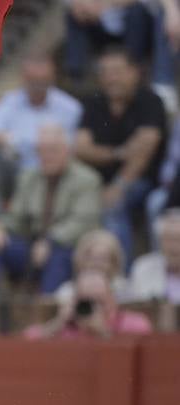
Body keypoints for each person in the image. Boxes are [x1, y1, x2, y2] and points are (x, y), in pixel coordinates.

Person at [0, 123, 102, 299]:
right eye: (42, 151)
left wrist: (51, 241)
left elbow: (82, 222)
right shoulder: (29, 177)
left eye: (53, 150)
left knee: (57, 256)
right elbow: (17, 217)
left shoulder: (87, 180)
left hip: (68, 249)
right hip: (32, 246)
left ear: (67, 151)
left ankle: (46, 307)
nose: (47, 156)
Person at [75, 46, 167, 261]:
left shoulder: (150, 101)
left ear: (134, 72)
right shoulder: (94, 102)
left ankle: (120, 276)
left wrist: (119, 185)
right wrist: (119, 152)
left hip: (142, 180)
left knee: (114, 205)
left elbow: (145, 148)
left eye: (117, 71)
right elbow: (80, 148)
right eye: (105, 72)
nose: (111, 78)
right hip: (97, 181)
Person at [0, 53, 82, 221]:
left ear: (52, 78)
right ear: (24, 78)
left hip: (51, 175)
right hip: (17, 172)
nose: (38, 85)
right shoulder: (10, 101)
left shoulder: (70, 107)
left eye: (42, 80)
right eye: (33, 80)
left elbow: (73, 149)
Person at [25, 267, 153, 338]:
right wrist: (58, 323)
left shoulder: (134, 323)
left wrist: (104, 333)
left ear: (112, 300)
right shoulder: (66, 325)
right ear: (75, 300)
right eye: (87, 301)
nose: (93, 307)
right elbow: (27, 342)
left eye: (99, 301)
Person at [63, 0, 153, 81]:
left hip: (132, 26)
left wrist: (106, 3)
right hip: (98, 24)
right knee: (74, 14)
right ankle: (76, 72)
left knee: (137, 12)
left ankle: (132, 67)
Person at [128, 207, 180, 307]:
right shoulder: (143, 268)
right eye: (169, 240)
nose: (174, 247)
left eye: (178, 239)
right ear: (160, 242)